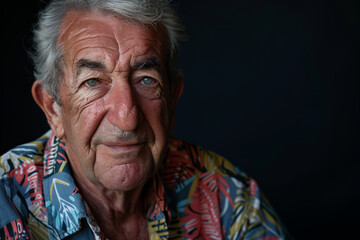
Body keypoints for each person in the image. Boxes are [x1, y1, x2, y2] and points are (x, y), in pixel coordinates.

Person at [0, 0, 289, 239]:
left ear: (173, 97)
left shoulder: (226, 196)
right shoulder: (6, 201)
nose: (127, 118)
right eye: (92, 82)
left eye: (146, 80)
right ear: (52, 108)